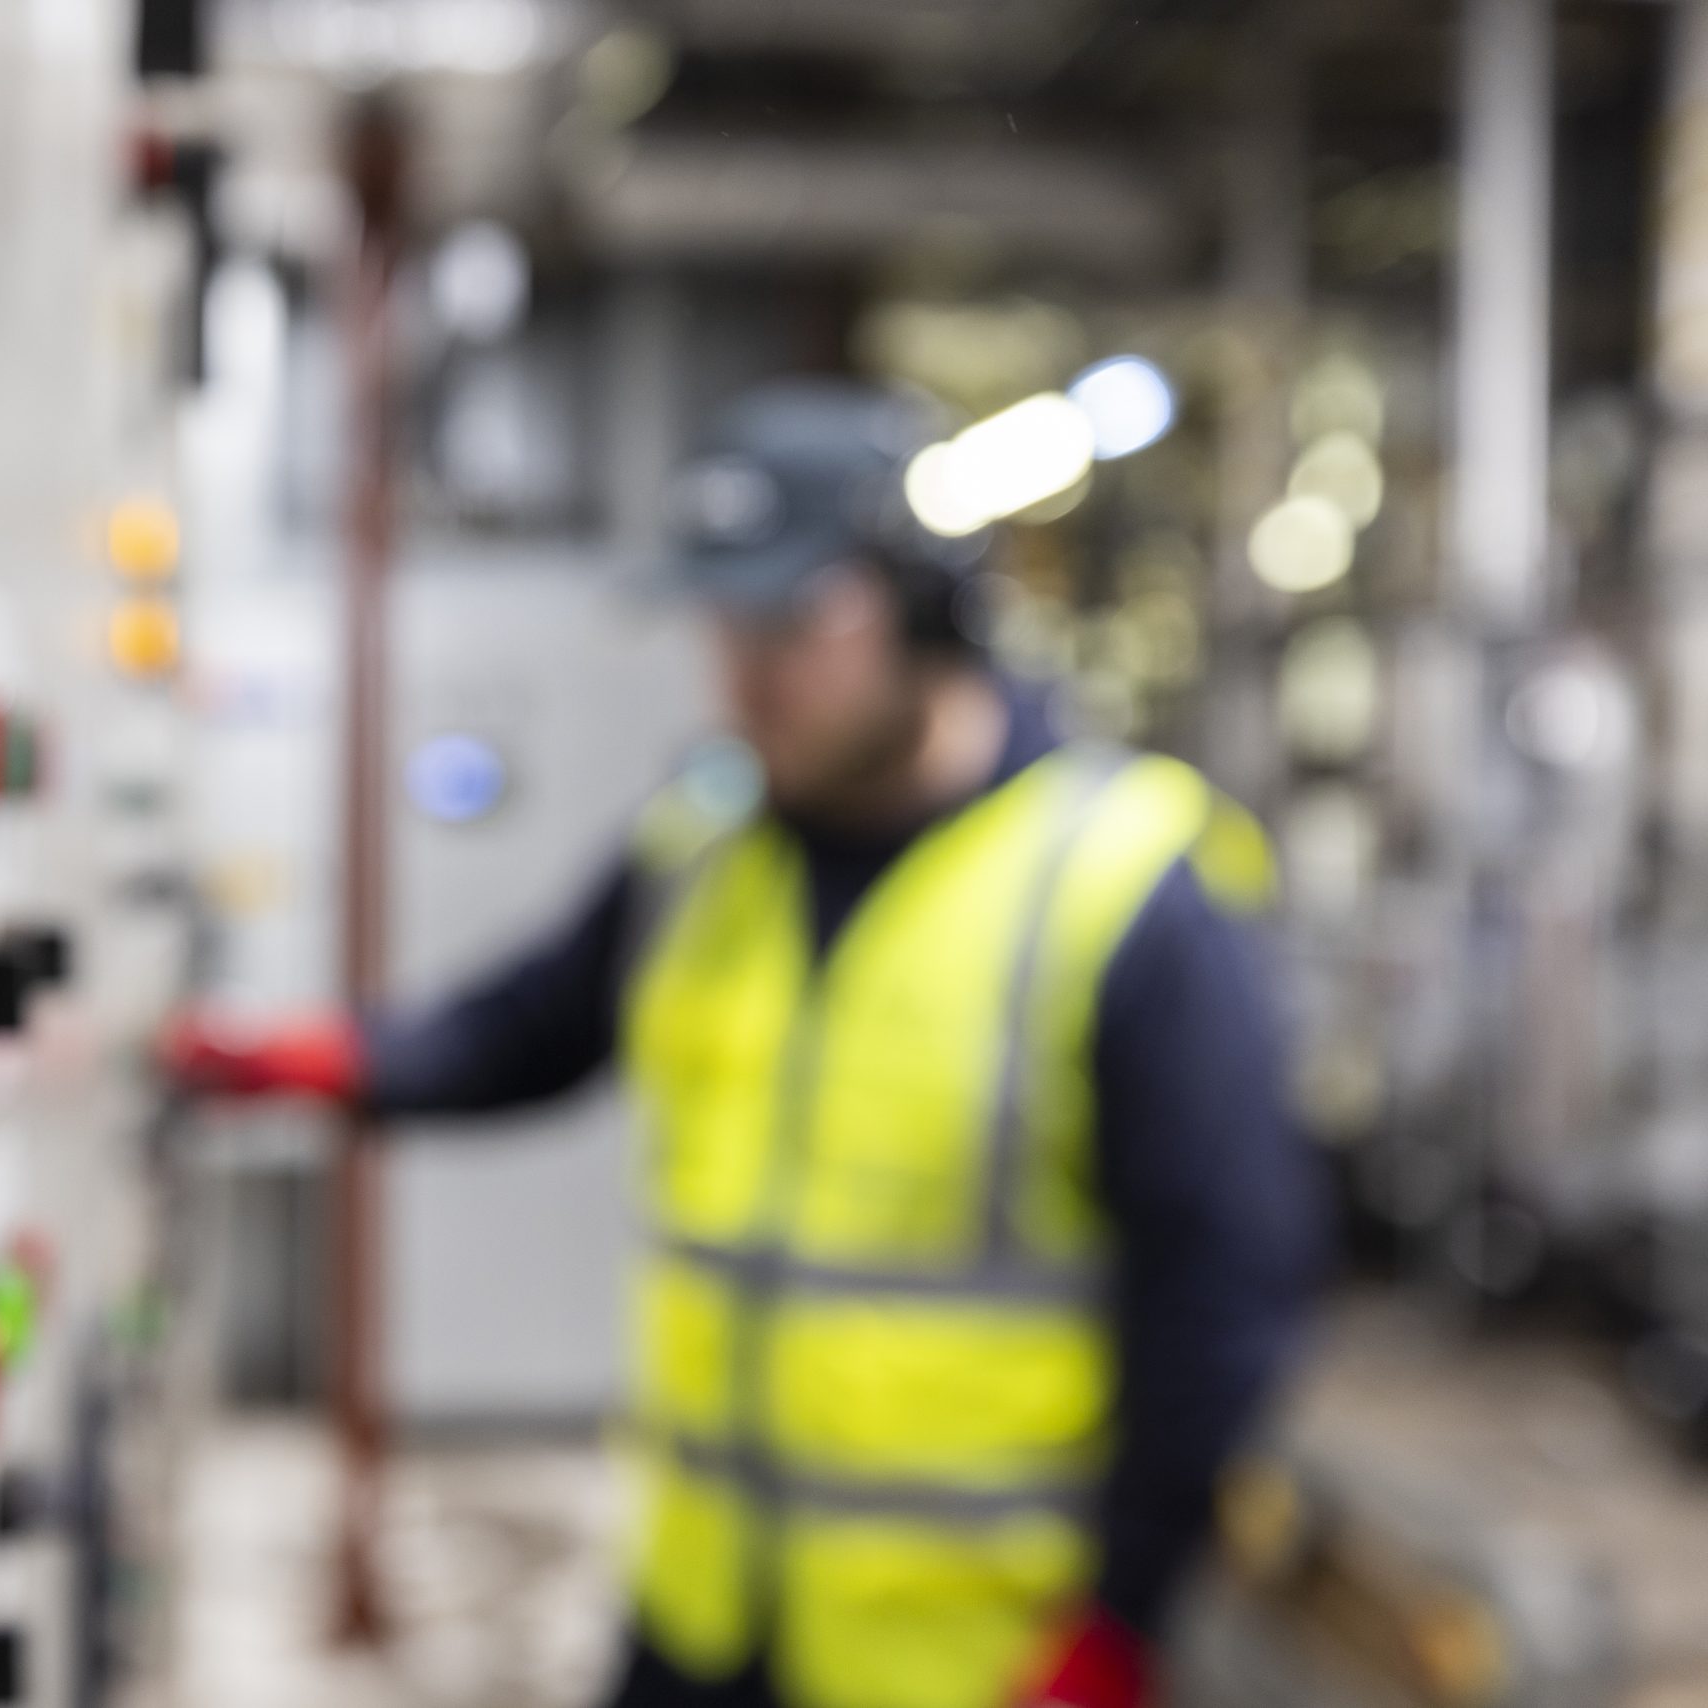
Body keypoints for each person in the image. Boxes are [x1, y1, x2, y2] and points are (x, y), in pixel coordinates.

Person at [162, 381, 1325, 1708]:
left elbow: (1225, 1298)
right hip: (705, 1623)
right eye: (724, 623)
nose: (745, 673)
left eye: (792, 621)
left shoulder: (1120, 893)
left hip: (968, 1660)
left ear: (928, 610)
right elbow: (527, 1030)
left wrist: (1119, 1623)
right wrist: (312, 1061)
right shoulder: (703, 850)